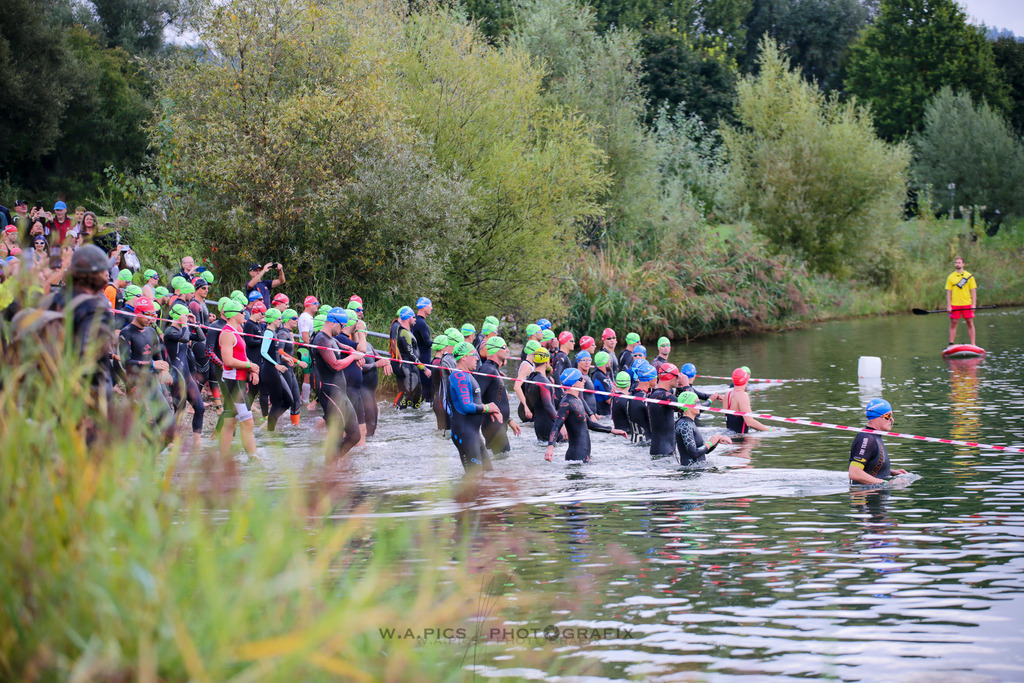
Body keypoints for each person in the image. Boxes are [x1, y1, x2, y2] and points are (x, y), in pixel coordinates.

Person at [544, 368, 627, 462]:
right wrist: (550, 447)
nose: (584, 381)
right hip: (576, 457)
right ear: (573, 383)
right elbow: (556, 426)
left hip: (583, 456)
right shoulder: (566, 403)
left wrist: (612, 430)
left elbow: (589, 424)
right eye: (580, 379)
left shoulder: (577, 400)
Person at [447, 341, 501, 472]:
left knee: (488, 472)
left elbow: (472, 402)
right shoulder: (459, 376)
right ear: (464, 357)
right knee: (474, 476)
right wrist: (487, 408)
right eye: (473, 355)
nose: (477, 358)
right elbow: (466, 406)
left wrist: (487, 410)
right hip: (464, 434)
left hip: (473, 433)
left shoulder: (466, 375)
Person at [218, 299, 261, 461]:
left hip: (237, 380)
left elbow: (241, 356)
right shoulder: (227, 334)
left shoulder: (235, 331)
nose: (245, 314)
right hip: (233, 382)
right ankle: (254, 459)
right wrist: (250, 365)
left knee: (230, 422)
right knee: (248, 423)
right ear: (233, 315)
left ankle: (223, 459)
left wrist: (251, 369)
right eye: (242, 312)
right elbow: (228, 361)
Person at [164, 302, 206, 447]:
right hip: (176, 376)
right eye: (185, 316)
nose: (187, 318)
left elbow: (201, 338)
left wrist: (195, 325)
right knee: (180, 410)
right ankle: (170, 440)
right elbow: (184, 338)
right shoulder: (170, 331)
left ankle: (197, 442)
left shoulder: (183, 329)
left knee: (200, 408)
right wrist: (185, 325)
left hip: (187, 376)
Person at [476, 336, 521, 455]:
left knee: (500, 461)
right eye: (504, 347)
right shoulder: (488, 370)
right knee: (503, 459)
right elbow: (476, 396)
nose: (507, 350)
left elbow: (496, 398)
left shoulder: (493, 369)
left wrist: (509, 420)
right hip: (493, 425)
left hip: (497, 425)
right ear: (496, 350)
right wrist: (487, 410)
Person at [849, 399, 908, 485]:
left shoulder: (875, 437)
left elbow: (869, 467)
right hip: (864, 493)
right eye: (888, 416)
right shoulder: (867, 438)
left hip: (875, 491)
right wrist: (888, 483)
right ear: (877, 416)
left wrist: (889, 472)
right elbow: (854, 473)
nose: (892, 420)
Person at [259, 308, 295, 431]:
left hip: (274, 370)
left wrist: (283, 358)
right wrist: (276, 364)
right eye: (279, 319)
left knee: (289, 400)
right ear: (273, 320)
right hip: (270, 371)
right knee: (277, 403)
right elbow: (263, 352)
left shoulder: (273, 333)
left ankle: (270, 423)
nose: (281, 321)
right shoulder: (268, 333)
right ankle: (270, 431)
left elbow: (273, 352)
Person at [675, 392, 732, 467]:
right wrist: (710, 443)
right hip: (691, 472)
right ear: (689, 405)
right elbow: (694, 453)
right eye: (697, 402)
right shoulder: (685, 425)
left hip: (697, 469)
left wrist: (715, 442)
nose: (700, 405)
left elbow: (702, 451)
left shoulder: (690, 423)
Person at [716, 367, 770, 433]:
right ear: (746, 379)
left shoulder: (727, 395)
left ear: (733, 380)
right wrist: (770, 430)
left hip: (730, 437)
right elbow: (750, 422)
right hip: (741, 438)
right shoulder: (743, 395)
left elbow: (728, 419)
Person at [525, 347, 560, 443]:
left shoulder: (529, 378)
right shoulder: (544, 382)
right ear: (547, 362)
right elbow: (548, 406)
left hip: (538, 425)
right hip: (550, 425)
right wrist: (560, 425)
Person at [648, 363, 682, 456]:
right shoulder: (662, 396)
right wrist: (686, 386)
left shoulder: (659, 394)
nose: (679, 379)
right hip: (662, 450)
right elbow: (689, 408)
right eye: (677, 376)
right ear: (671, 377)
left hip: (663, 448)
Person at [945, 256, 978, 346]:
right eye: (956, 263)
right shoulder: (950, 277)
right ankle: (951, 344)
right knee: (953, 323)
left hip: (967, 303)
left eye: (959, 263)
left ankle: (973, 344)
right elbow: (948, 292)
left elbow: (973, 291)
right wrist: (949, 305)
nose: (957, 264)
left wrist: (974, 304)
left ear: (963, 264)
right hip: (955, 304)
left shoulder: (969, 276)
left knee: (970, 322)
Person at [628, 362, 656, 445]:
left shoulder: (631, 395)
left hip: (633, 440)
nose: (657, 380)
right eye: (656, 378)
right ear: (651, 380)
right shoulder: (645, 399)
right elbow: (653, 423)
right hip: (645, 442)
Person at [413, 296, 434, 401]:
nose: (431, 308)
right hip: (423, 358)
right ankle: (426, 406)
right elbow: (427, 343)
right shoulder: (421, 323)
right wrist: (439, 343)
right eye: (430, 306)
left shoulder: (415, 320)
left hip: (417, 357)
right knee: (427, 387)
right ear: (424, 307)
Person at [591, 351, 614, 417]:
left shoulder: (597, 374)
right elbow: (609, 400)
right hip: (604, 415)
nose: (610, 363)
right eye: (609, 360)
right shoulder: (601, 377)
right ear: (605, 362)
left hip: (602, 412)